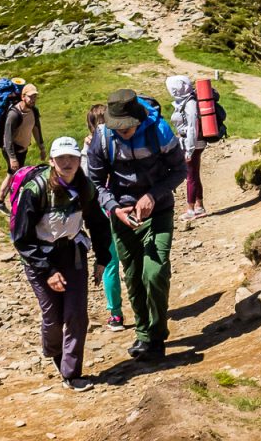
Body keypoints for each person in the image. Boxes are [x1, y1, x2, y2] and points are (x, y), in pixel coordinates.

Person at [9, 136, 114, 391]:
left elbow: (98, 223)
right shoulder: (35, 190)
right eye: (61, 158)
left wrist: (103, 258)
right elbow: (21, 238)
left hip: (73, 254)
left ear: (79, 159)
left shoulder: (85, 187)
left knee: (77, 315)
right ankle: (55, 352)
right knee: (53, 317)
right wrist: (48, 271)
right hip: (40, 258)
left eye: (72, 158)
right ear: (52, 161)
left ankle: (71, 373)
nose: (67, 163)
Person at [90, 88, 184, 362]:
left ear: (137, 118)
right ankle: (144, 334)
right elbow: (95, 182)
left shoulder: (160, 131)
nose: (122, 132)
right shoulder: (103, 137)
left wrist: (153, 196)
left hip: (159, 211)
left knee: (154, 273)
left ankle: (156, 335)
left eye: (126, 127)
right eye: (117, 127)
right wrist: (114, 208)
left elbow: (179, 170)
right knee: (132, 276)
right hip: (122, 215)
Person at [82, 103, 127, 332]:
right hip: (122, 206)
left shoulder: (86, 151)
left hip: (99, 212)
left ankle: (116, 314)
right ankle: (144, 306)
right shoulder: (119, 141)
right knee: (131, 257)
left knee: (111, 263)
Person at [0, 83, 44, 212]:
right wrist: (12, 158)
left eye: (35, 97)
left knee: (15, 176)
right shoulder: (14, 114)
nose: (33, 100)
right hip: (12, 150)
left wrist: (41, 147)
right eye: (30, 97)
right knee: (13, 175)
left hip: (23, 149)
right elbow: (7, 138)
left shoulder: (34, 110)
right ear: (23, 97)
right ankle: (2, 201)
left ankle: (8, 201)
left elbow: (36, 128)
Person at [165, 76, 208, 219]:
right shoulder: (186, 101)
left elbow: (192, 128)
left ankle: (191, 209)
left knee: (190, 176)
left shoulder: (190, 104)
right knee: (194, 174)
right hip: (192, 142)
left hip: (193, 143)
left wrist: (189, 150)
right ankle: (199, 206)